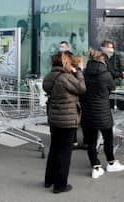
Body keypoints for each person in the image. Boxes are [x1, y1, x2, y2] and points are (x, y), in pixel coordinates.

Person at [43, 51, 86, 193]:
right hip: (67, 119)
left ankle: (49, 180)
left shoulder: (50, 76)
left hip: (54, 117)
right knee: (64, 153)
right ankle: (60, 185)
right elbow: (81, 88)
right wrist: (78, 71)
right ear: (65, 62)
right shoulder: (65, 77)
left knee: (54, 149)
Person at [81, 49, 124, 179]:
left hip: (88, 111)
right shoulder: (105, 75)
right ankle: (111, 163)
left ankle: (95, 167)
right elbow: (112, 88)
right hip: (103, 111)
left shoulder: (84, 73)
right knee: (108, 139)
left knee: (91, 142)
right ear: (102, 60)